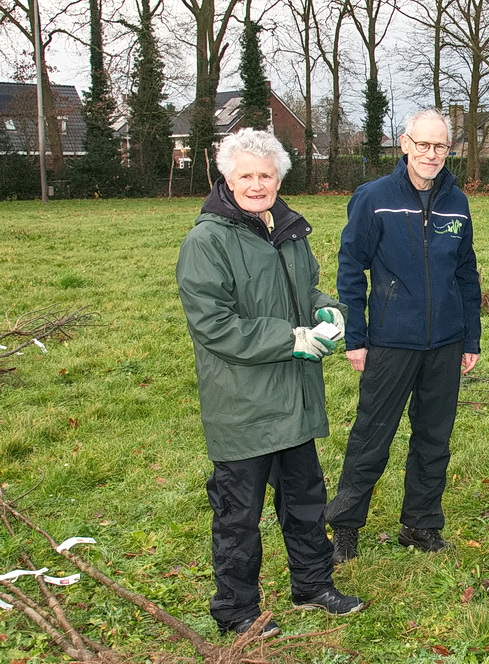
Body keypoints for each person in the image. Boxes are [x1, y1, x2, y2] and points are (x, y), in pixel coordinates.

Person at [176, 128, 364, 638]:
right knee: (238, 516)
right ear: (226, 178)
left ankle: (312, 586)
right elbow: (214, 325)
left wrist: (326, 308)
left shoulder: (289, 230)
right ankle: (237, 611)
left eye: (266, 174)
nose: (257, 184)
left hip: (295, 398)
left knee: (305, 500)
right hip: (243, 404)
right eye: (246, 175)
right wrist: (291, 338)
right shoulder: (207, 241)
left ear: (279, 177)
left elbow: (303, 290)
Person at [324, 108, 482, 563]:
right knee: (372, 438)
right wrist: (355, 337)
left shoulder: (457, 202)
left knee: (434, 438)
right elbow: (351, 269)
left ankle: (421, 524)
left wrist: (470, 338)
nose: (432, 155)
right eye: (423, 145)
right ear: (405, 143)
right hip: (391, 340)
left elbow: (467, 274)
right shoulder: (374, 198)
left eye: (441, 146)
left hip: (446, 342)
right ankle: (346, 528)